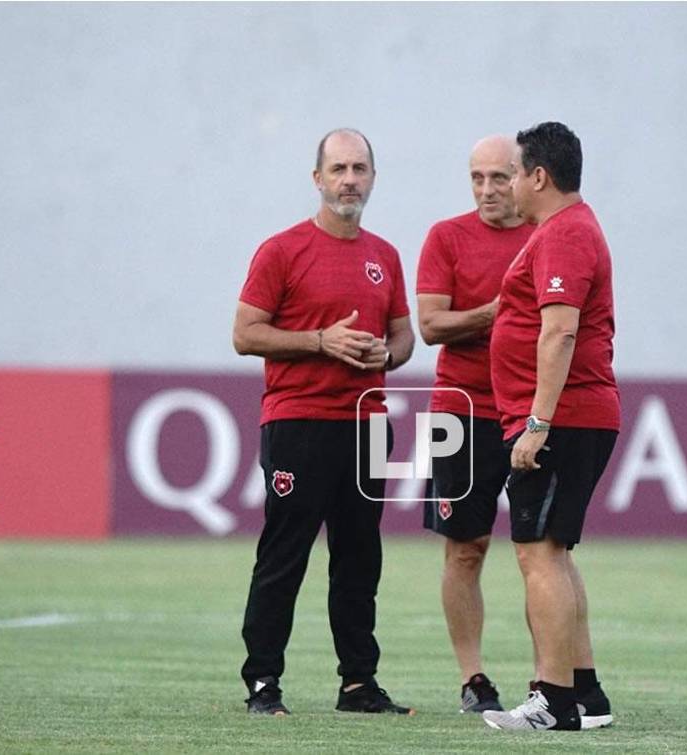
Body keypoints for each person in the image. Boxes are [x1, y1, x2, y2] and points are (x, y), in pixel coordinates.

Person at [233, 128, 416, 716]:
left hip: (367, 425)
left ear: (373, 178)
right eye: (338, 169)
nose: (349, 180)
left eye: (359, 169)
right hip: (299, 423)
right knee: (285, 554)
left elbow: (404, 337)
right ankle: (263, 682)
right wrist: (319, 341)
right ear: (317, 179)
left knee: (360, 558)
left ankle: (358, 684)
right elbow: (245, 334)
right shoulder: (281, 250)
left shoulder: (385, 255)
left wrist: (386, 354)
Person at [481, 122, 620, 732]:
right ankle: (585, 694)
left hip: (560, 419)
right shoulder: (566, 230)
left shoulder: (565, 233)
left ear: (539, 176)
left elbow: (560, 331)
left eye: (513, 172)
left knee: (537, 555)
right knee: (553, 554)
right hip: (571, 415)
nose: (508, 184)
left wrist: (537, 422)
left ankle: (553, 701)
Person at [416, 135, 536, 714]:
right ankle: (474, 678)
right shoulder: (446, 237)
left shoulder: (546, 236)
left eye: (498, 177)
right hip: (459, 412)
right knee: (466, 548)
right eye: (476, 178)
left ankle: (550, 679)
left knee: (543, 551)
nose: (487, 190)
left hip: (531, 413)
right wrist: (496, 312)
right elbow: (430, 326)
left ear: (525, 177)